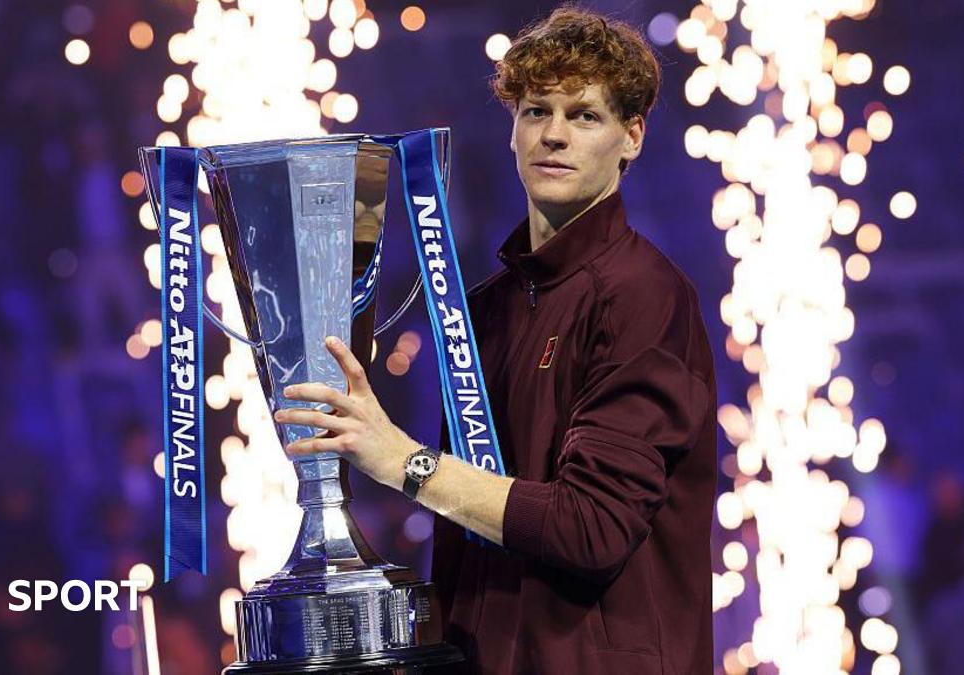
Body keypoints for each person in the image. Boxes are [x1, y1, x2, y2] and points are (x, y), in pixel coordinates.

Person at [277, 7, 716, 674]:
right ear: (511, 132)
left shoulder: (644, 296)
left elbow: (589, 527)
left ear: (632, 137)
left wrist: (403, 461)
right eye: (536, 111)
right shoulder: (484, 309)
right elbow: (474, 533)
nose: (554, 136)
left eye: (584, 116)